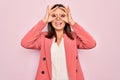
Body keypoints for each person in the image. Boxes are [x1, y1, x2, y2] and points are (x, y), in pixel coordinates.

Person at [21, 4, 96, 80]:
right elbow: (25, 43)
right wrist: (44, 21)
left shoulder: (73, 37)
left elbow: (91, 43)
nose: (58, 18)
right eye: (54, 16)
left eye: (62, 16)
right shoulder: (43, 38)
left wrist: (72, 22)